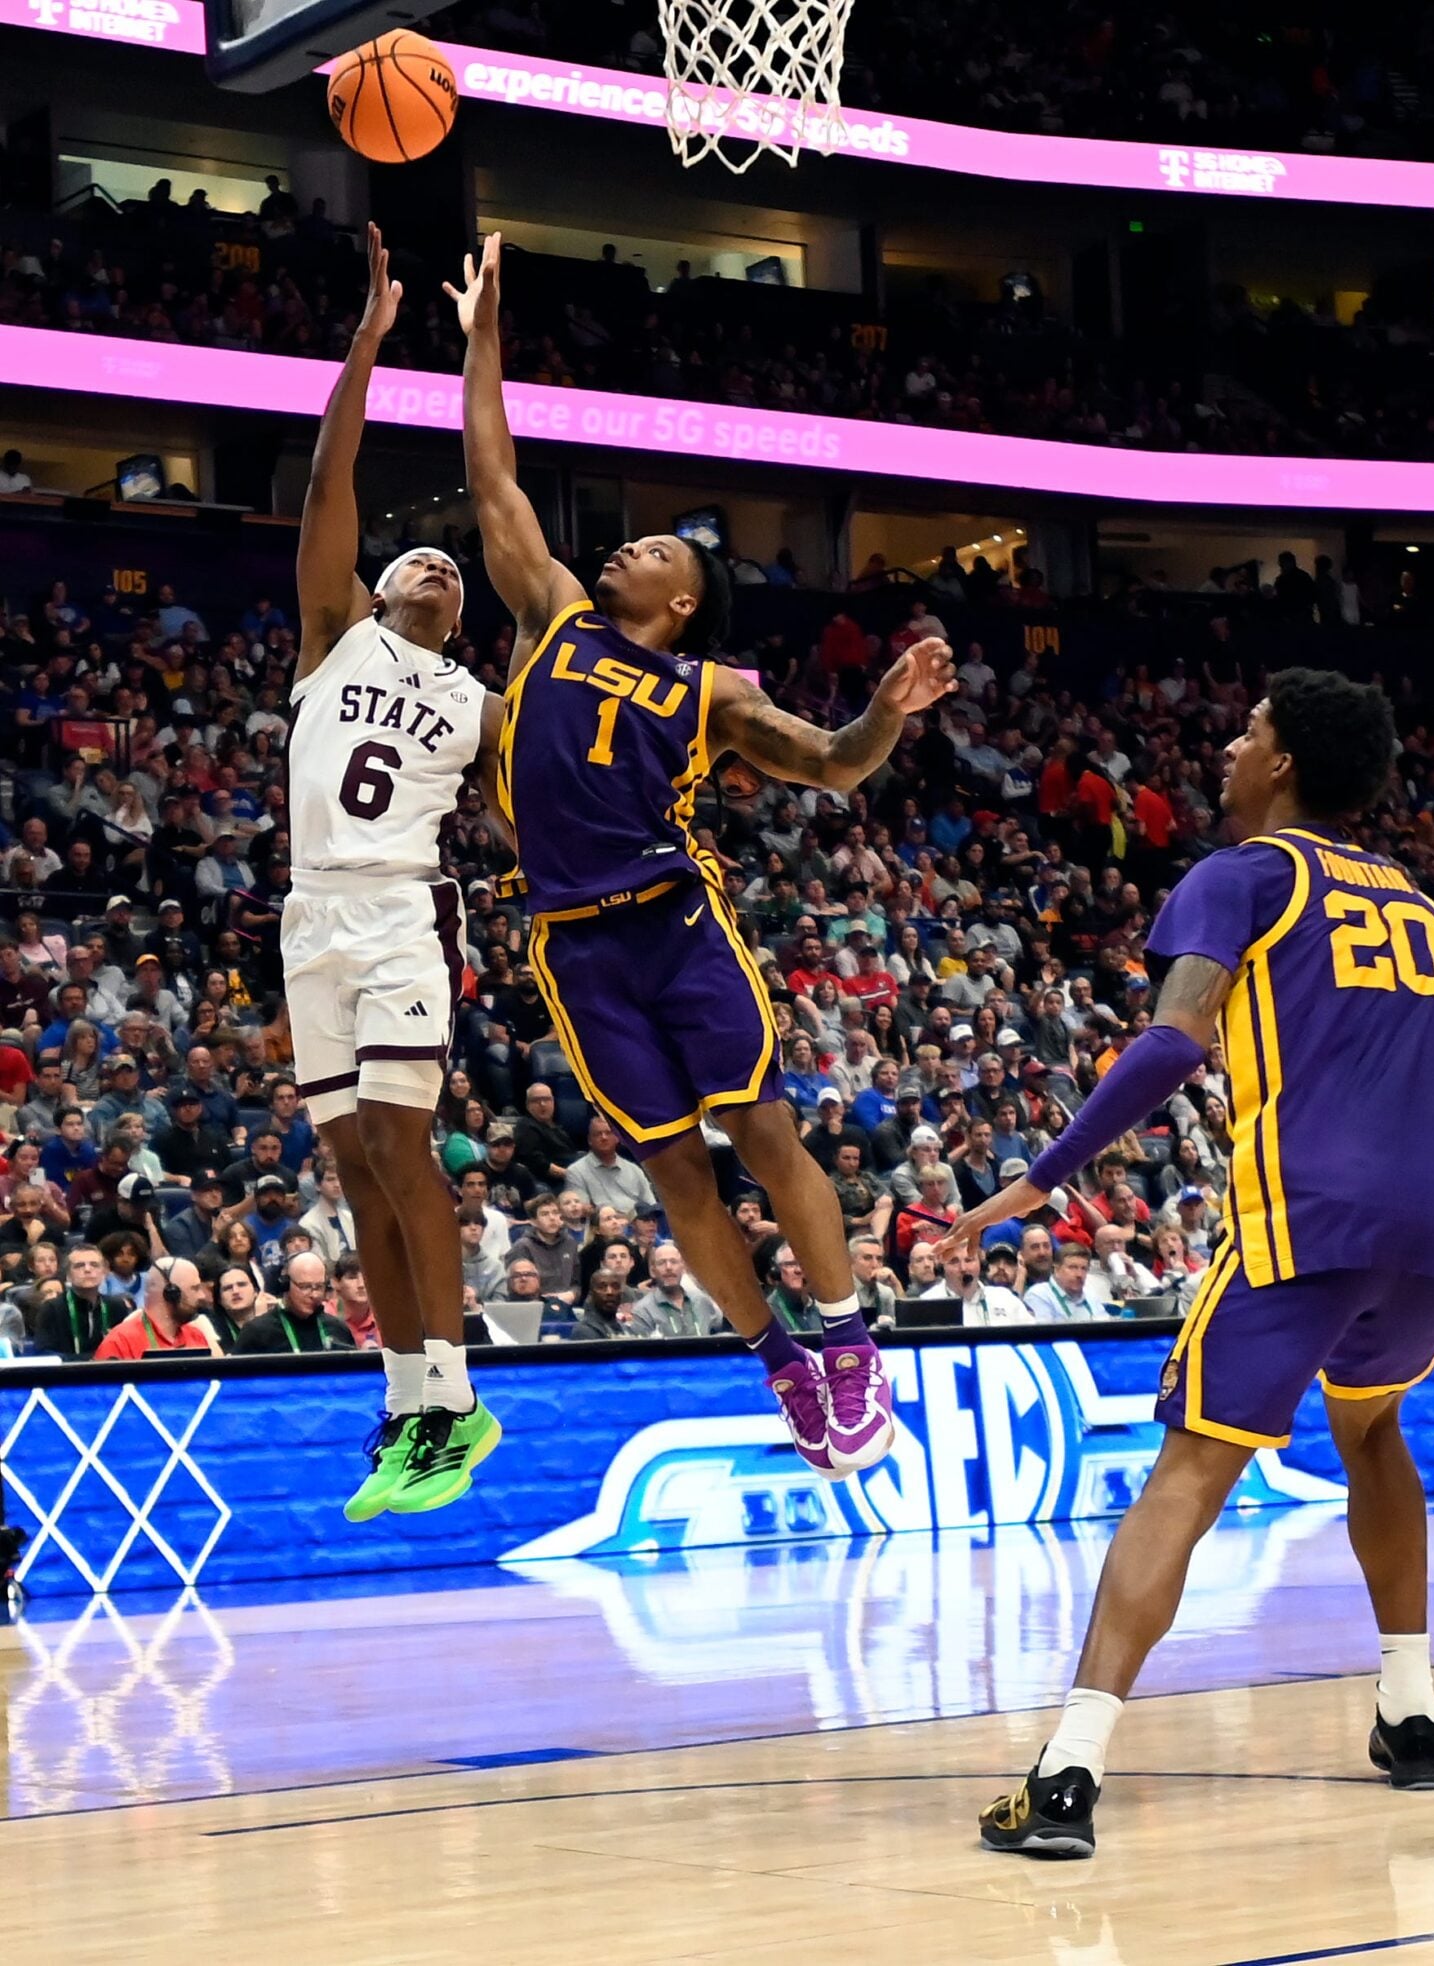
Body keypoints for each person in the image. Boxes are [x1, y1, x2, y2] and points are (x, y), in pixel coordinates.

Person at [936, 668, 1434, 1858]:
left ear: (1283, 763)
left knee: (1189, 1472)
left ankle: (1067, 1773)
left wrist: (1041, 1175)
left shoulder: (1242, 875)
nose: (1229, 746)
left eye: (1249, 731)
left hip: (1306, 1220)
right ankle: (1412, 1711)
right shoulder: (1421, 910)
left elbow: (1173, 1039)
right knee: (1372, 1431)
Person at [449, 231, 954, 1480]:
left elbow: (834, 763)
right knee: (675, 1174)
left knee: (766, 1137)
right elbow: (493, 477)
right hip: (573, 939)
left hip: (675, 924)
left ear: (683, 600)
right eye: (629, 541)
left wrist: (887, 708)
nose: (627, 547)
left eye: (657, 550)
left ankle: (848, 1344)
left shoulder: (711, 691)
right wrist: (480, 343)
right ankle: (777, 1357)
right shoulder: (548, 615)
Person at [287, 225, 507, 1522]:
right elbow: (332, 477)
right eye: (413, 552)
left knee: (397, 1138)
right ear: (374, 584)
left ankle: (458, 1390)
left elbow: (536, 817)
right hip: (308, 916)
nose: (431, 558)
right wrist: (366, 343)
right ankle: (410, 1400)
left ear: (459, 613)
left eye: (450, 562)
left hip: (403, 915)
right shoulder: (331, 635)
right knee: (351, 1169)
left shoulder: (476, 699)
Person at [93, 1256, 221, 1359]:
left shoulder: (196, 1335)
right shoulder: (120, 1342)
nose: (202, 1296)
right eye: (194, 1288)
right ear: (171, 1293)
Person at [233, 1250, 359, 1354]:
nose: (314, 1295)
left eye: (319, 1287)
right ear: (286, 1284)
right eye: (305, 1287)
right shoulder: (257, 1332)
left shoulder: (338, 1329)